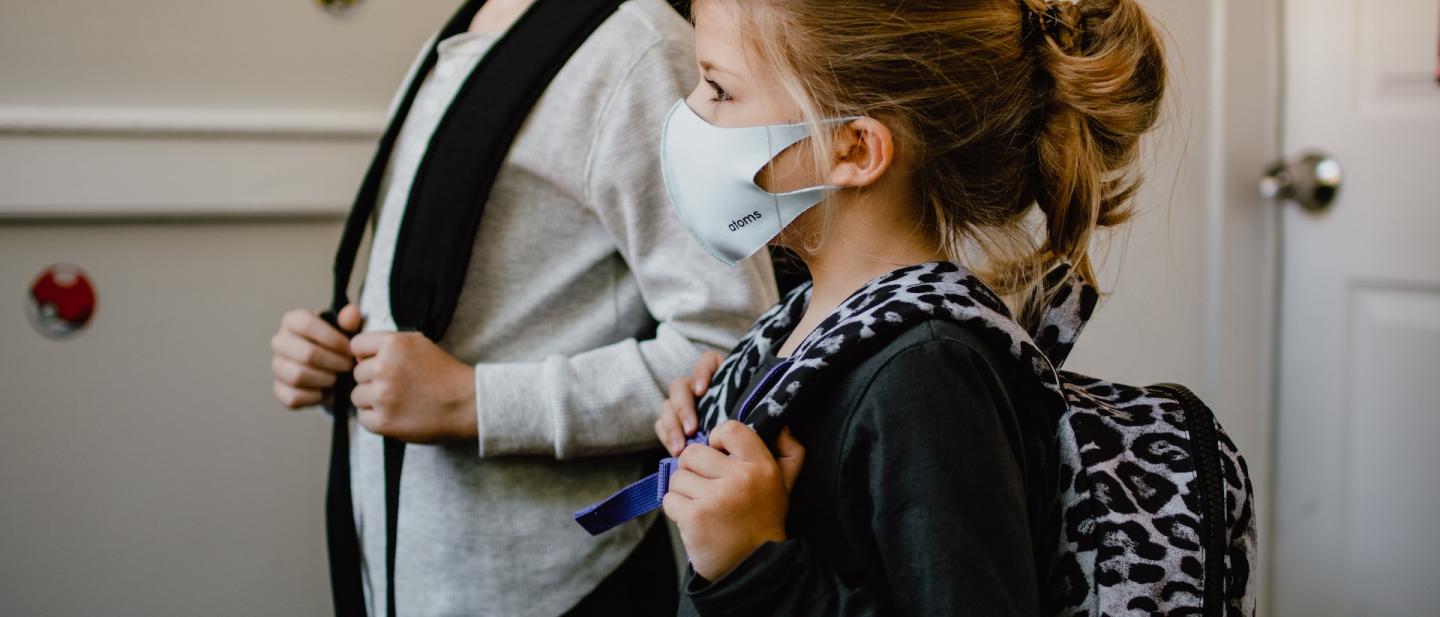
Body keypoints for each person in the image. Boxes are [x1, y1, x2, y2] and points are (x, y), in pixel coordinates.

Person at [652, 0, 1167, 614]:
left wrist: (756, 562)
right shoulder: (818, 316)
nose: (690, 112)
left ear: (854, 150)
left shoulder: (926, 377)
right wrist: (725, 403)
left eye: (719, 90)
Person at [268, 0, 777, 615]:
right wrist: (341, 367)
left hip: (553, 587)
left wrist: (472, 401)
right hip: (400, 569)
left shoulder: (638, 52)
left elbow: (731, 350)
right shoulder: (462, 34)